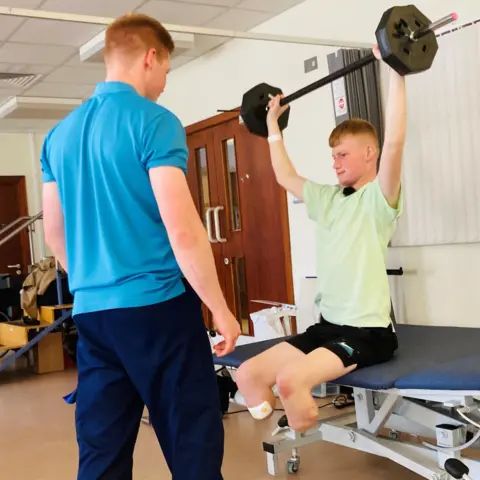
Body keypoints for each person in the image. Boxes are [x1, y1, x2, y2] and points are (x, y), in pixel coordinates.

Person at [40, 13, 240, 480]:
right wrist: (221, 309)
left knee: (101, 450)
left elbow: (54, 234)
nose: (165, 84)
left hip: (92, 316)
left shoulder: (58, 136)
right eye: (167, 71)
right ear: (151, 58)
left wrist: (93, 280)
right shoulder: (155, 122)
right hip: (158, 310)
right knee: (192, 440)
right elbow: (183, 230)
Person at [235, 46, 405, 432]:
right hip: (327, 327)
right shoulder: (327, 198)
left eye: (343, 154)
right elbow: (285, 176)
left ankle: (300, 426)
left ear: (369, 153)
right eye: (333, 156)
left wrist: (397, 71)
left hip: (369, 333)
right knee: (247, 374)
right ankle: (291, 423)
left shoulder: (379, 199)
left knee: (291, 380)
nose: (336, 162)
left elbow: (395, 142)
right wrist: (273, 127)